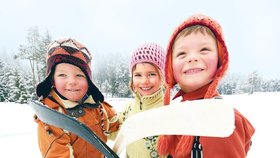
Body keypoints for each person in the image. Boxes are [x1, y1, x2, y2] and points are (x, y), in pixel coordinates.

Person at [157, 14, 255, 158]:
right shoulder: (179, 109)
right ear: (170, 68)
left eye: (204, 50)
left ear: (220, 60)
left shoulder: (220, 120)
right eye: (182, 53)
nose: (192, 58)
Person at [34, 38, 120, 158]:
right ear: (52, 80)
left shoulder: (99, 108)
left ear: (89, 81)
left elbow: (120, 128)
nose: (72, 82)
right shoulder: (52, 118)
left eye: (79, 75)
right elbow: (57, 155)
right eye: (62, 75)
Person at [118, 43, 166, 158]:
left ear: (163, 76)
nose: (144, 81)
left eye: (151, 74)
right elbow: (118, 134)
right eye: (138, 75)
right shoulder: (129, 108)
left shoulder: (168, 109)